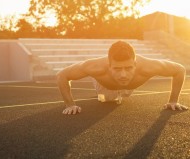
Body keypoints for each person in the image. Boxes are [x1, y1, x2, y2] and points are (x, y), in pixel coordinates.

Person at [56, 40, 188, 115]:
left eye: (129, 68)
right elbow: (62, 75)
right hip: (104, 85)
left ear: (135, 64)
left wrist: (173, 101)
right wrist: (69, 105)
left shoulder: (148, 66)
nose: (123, 74)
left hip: (129, 87)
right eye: (117, 68)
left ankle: (120, 89)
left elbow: (179, 70)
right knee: (107, 100)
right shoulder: (95, 67)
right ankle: (103, 89)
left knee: (123, 93)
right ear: (109, 65)